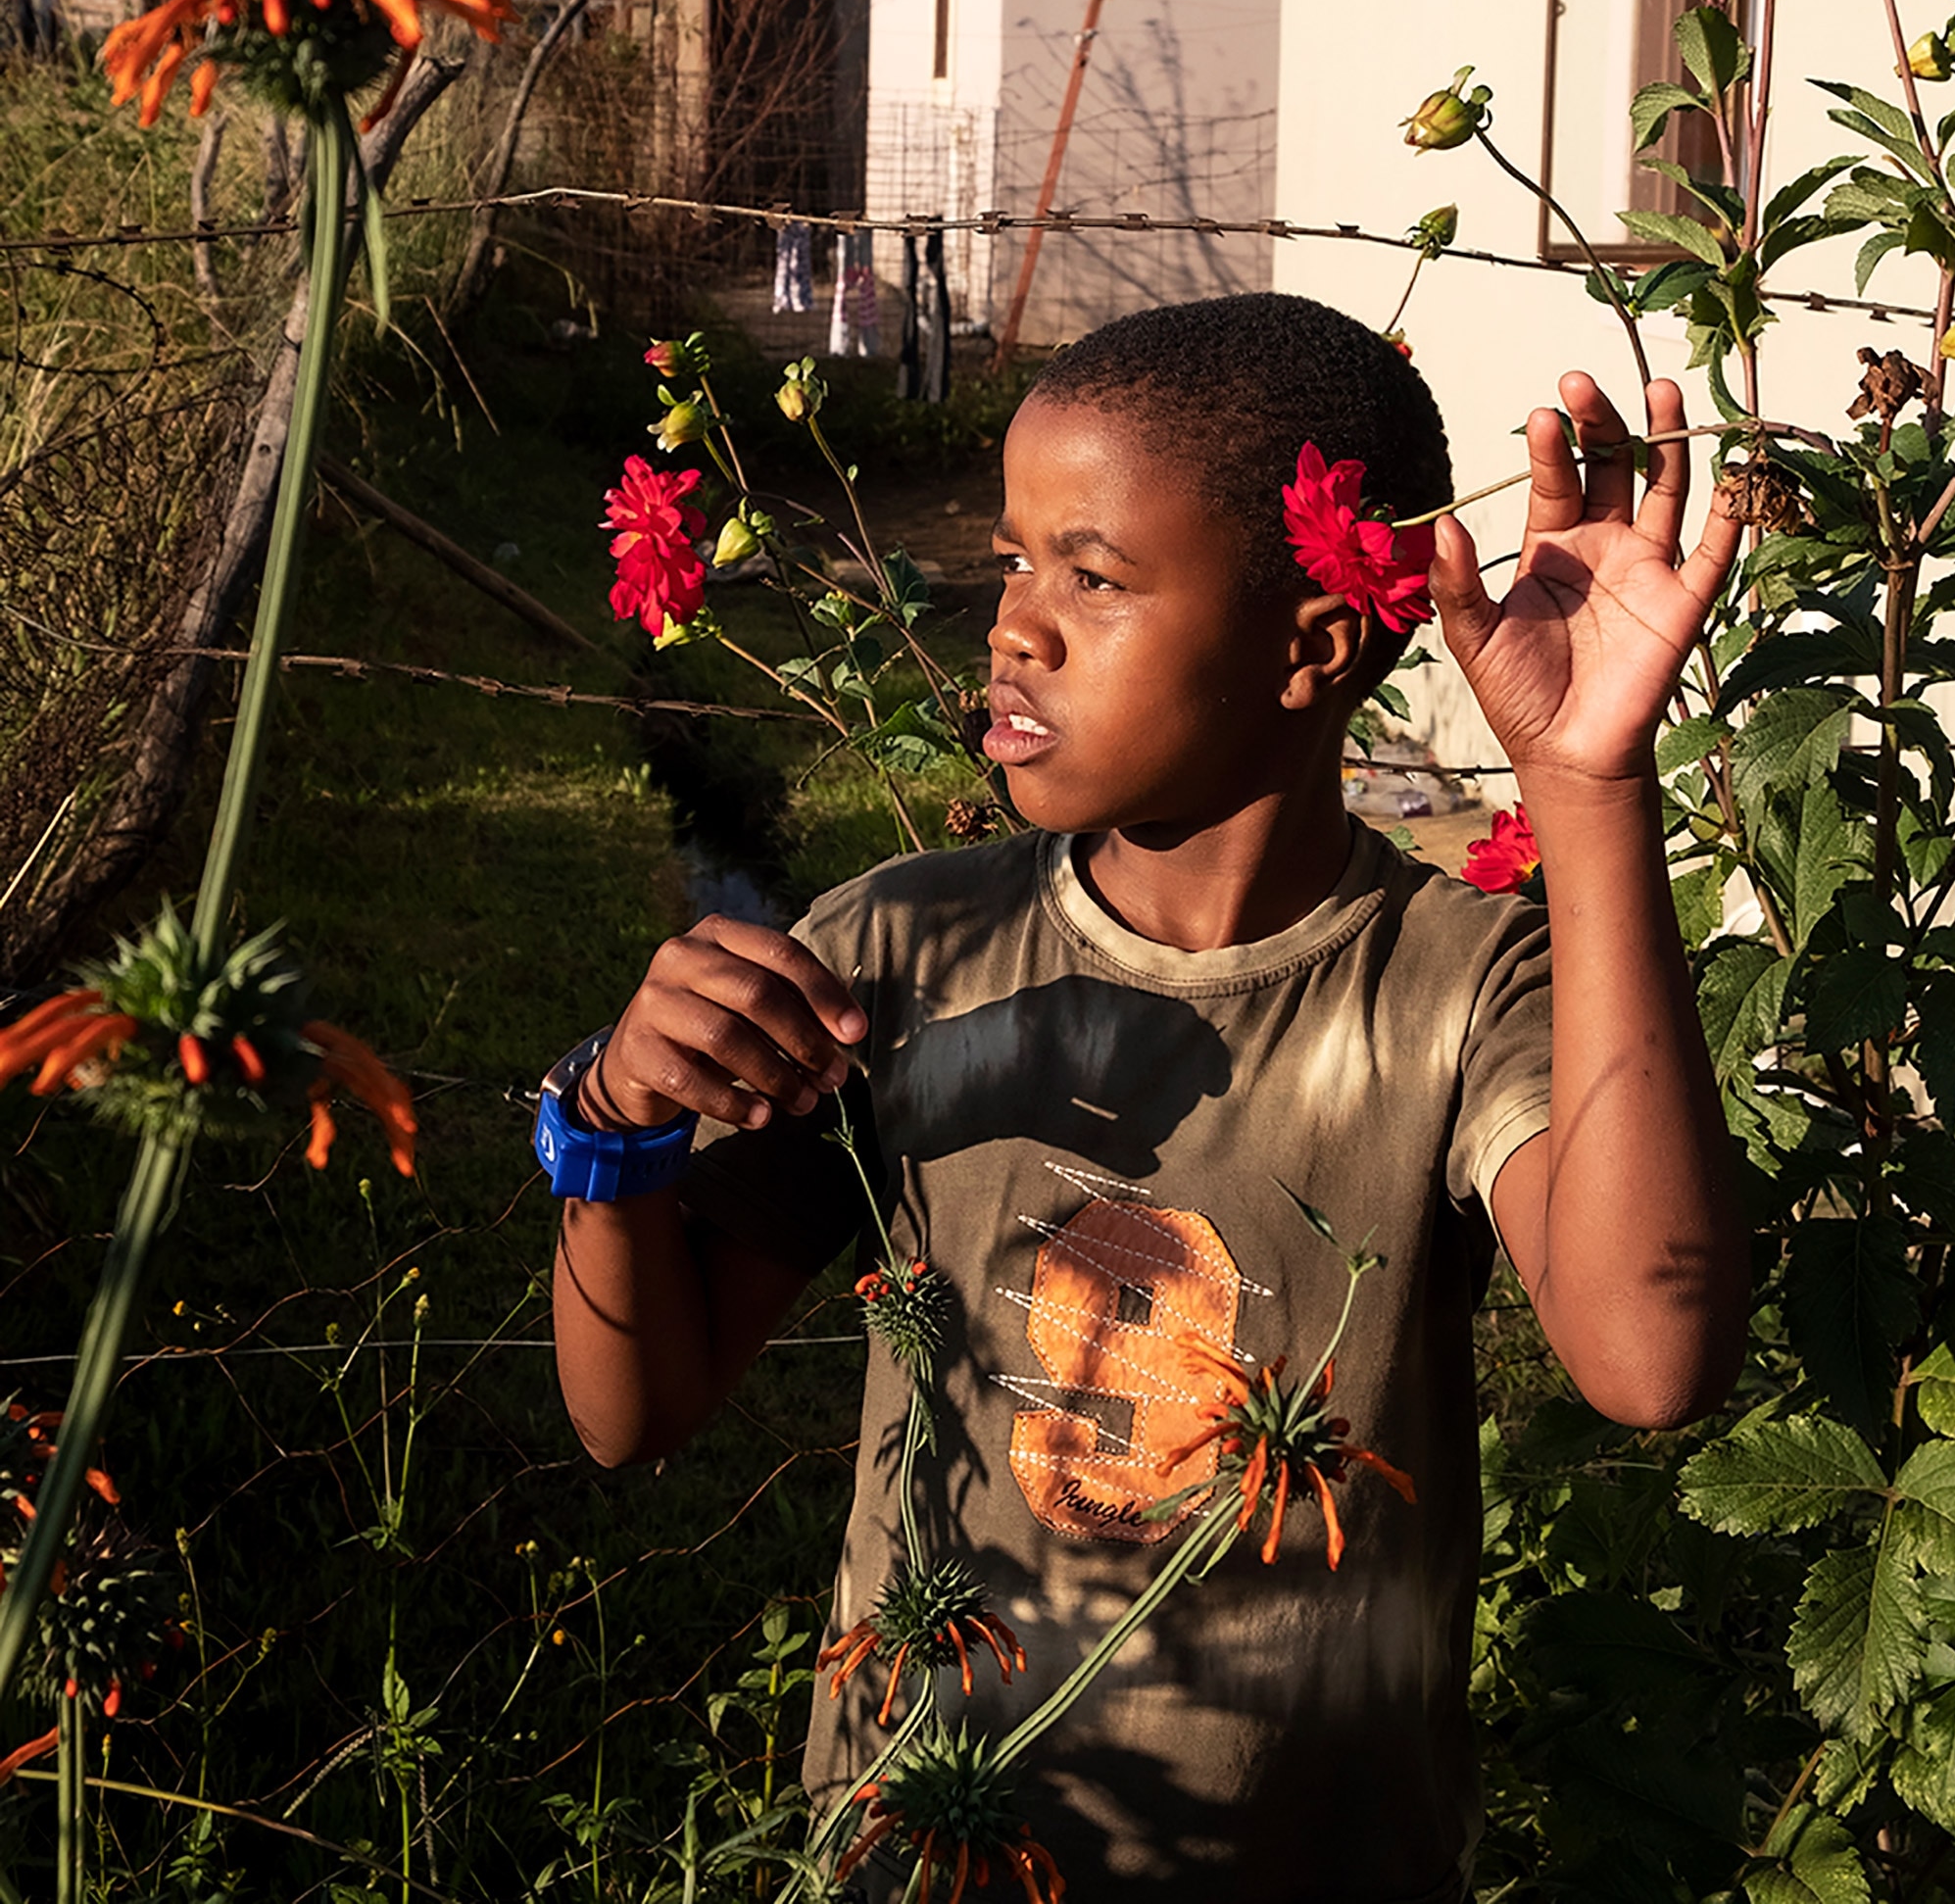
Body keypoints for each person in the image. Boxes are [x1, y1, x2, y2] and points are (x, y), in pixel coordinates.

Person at [548, 295, 1747, 1901]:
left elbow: (1651, 1357)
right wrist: (613, 1130)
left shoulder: (1459, 989)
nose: (1012, 625)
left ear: (1313, 643)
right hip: (923, 1858)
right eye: (1016, 558)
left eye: (1093, 577)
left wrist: (1588, 786)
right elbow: (634, 1411)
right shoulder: (905, 952)